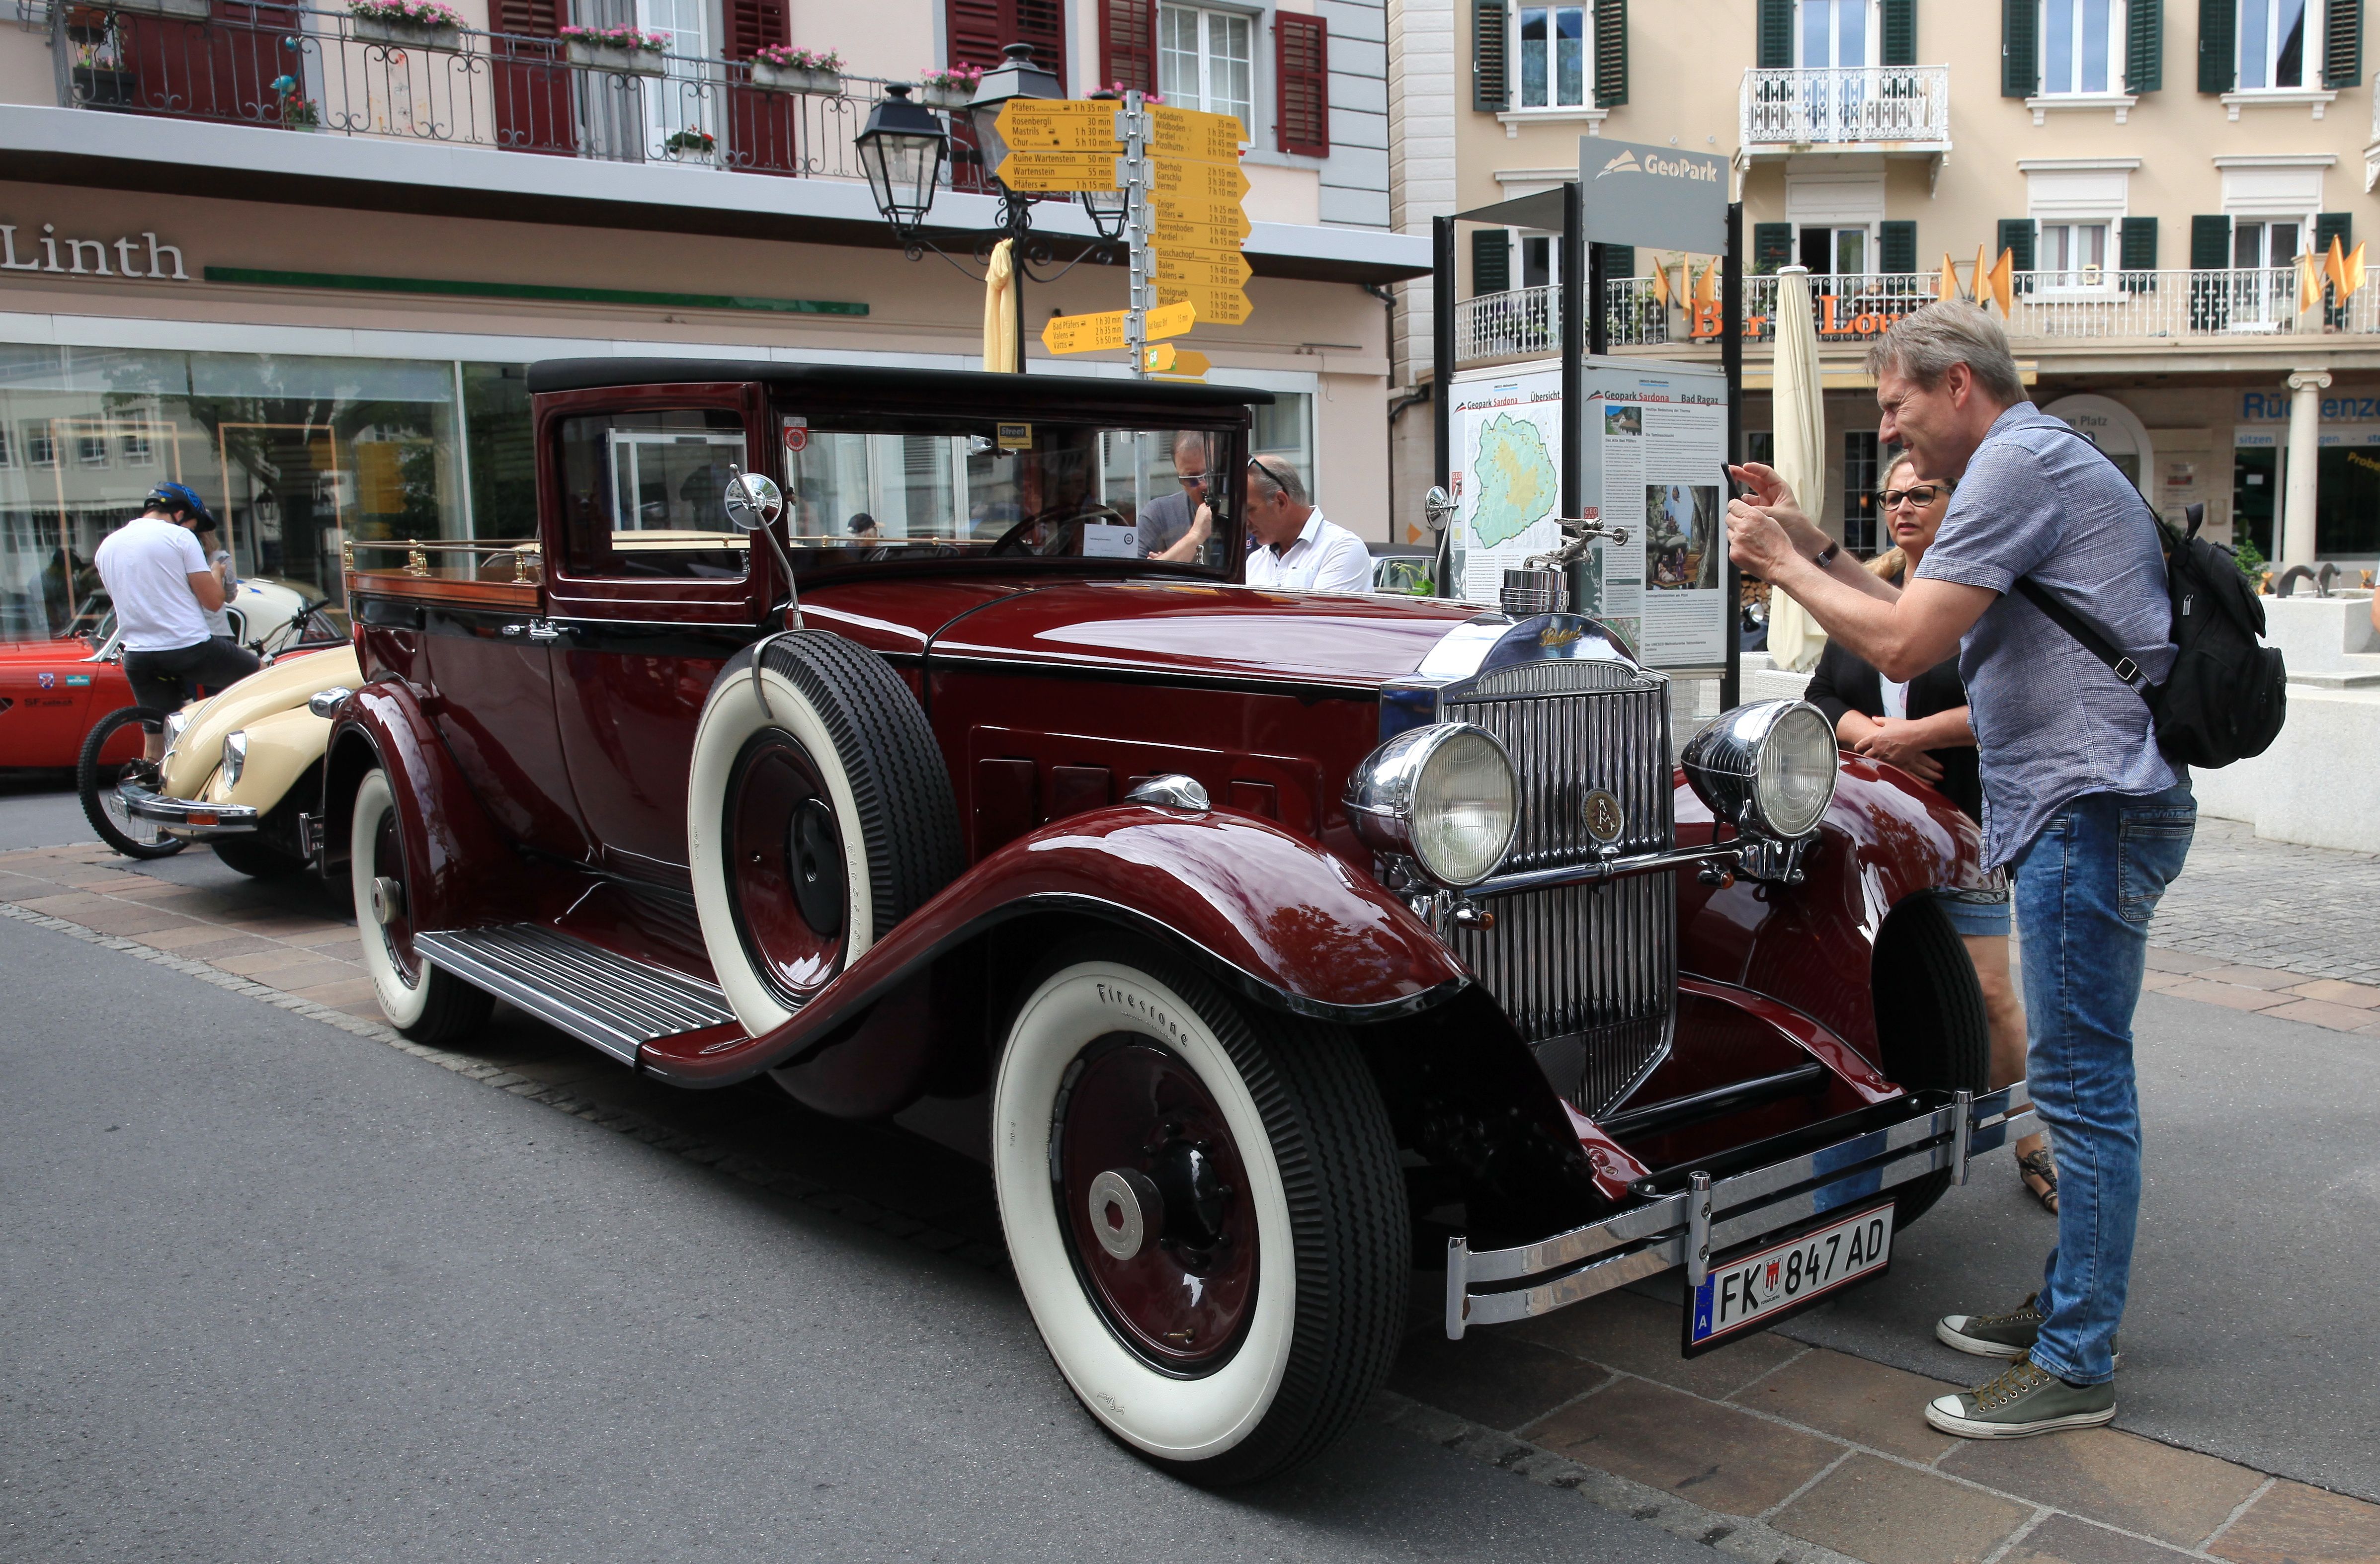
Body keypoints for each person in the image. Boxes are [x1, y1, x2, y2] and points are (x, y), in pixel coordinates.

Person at [1725, 301, 2192, 1442]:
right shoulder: (2033, 460)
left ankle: (2078, 1357)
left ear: (1957, 388)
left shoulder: (2015, 465)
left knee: (2082, 1090)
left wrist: (1783, 560)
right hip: (2088, 807)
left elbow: (1899, 649)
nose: (1889, 428)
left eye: (1894, 405)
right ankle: (2066, 1308)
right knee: (2081, 1083)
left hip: (2092, 809)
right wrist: (1818, 542)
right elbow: (1913, 610)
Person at [1804, 454, 2057, 1214]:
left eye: (1923, 492)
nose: (1903, 507)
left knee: (1987, 994)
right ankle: (1891, 1129)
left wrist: (1907, 733)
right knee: (1877, 988)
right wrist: (1876, 739)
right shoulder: (1866, 595)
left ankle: (2028, 1134)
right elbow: (1820, 696)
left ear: (1960, 499)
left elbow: (2015, 702)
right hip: (1870, 834)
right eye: (1891, 496)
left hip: (1965, 829)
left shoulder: (1984, 597)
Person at [93, 484, 259, 760]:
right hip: (188, 648)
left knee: (156, 735)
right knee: (262, 674)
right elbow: (214, 601)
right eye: (195, 525)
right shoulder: (181, 537)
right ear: (180, 514)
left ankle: (149, 790)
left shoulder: (107, 546)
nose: (195, 531)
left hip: (138, 654)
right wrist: (216, 573)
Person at [1242, 456, 1371, 594]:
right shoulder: (1256, 560)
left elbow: (1321, 615)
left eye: (1250, 510)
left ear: (1281, 502)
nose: (1245, 521)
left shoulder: (1342, 548)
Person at [1142, 432, 1214, 563]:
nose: (1204, 485)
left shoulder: (1249, 508)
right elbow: (1138, 577)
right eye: (1191, 480)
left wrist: (1168, 559)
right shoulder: (1159, 514)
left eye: (1210, 474)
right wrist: (1196, 535)